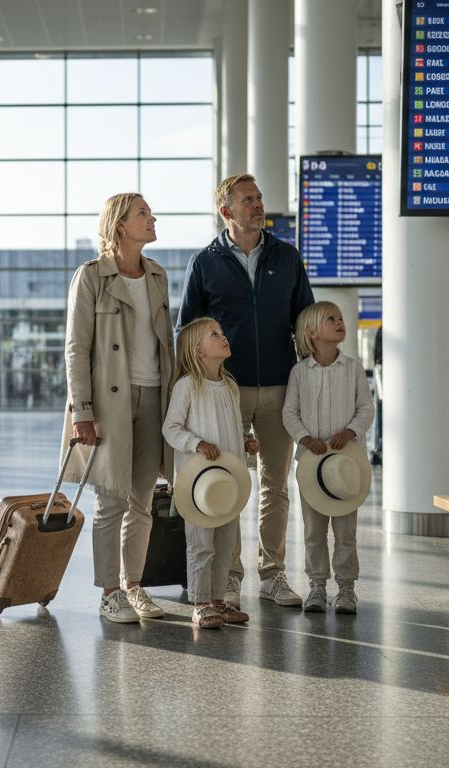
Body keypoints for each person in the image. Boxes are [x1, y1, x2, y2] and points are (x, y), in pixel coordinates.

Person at [177, 172, 315, 607]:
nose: (258, 205)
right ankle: (229, 577)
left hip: (279, 386)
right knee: (229, 482)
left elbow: (306, 321)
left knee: (276, 485)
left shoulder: (286, 256)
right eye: (248, 200)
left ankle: (273, 574)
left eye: (259, 197)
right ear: (226, 211)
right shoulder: (205, 262)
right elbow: (186, 331)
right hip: (224, 393)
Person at [61, 192, 174, 624]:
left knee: (142, 501)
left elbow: (165, 343)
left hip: (154, 395)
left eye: (150, 212)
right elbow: (76, 348)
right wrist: (82, 411)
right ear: (120, 224)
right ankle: (110, 593)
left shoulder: (158, 276)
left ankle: (133, 585)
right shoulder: (92, 276)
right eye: (143, 213)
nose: (152, 218)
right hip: (109, 403)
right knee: (111, 499)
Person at [162, 317, 259, 628]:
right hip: (199, 486)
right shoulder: (187, 386)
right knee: (201, 543)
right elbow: (171, 428)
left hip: (227, 483)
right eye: (214, 334)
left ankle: (218, 601)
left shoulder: (230, 385)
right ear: (198, 351)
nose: (223, 336)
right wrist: (197, 444)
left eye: (221, 332)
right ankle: (201, 603)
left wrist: (245, 443)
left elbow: (233, 427)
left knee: (226, 545)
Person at [281, 301, 375, 614]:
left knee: (346, 532)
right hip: (312, 468)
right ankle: (317, 587)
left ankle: (346, 588)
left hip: (347, 466)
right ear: (311, 333)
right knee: (313, 531)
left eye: (340, 318)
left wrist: (350, 432)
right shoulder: (299, 373)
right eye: (330, 319)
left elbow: (366, 408)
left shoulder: (353, 369)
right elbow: (289, 413)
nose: (339, 322)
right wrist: (304, 438)